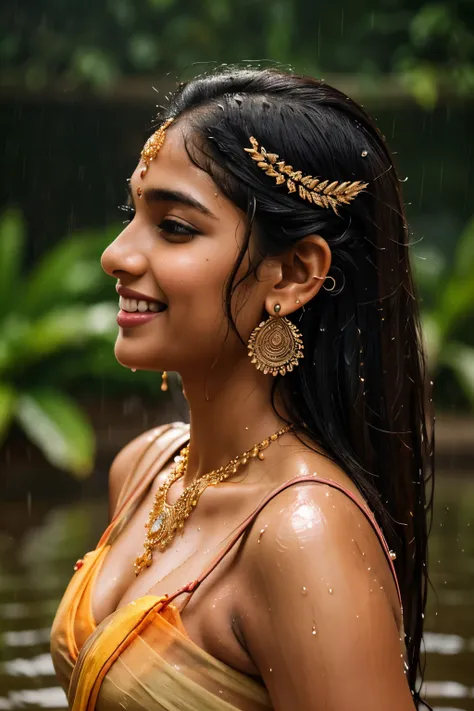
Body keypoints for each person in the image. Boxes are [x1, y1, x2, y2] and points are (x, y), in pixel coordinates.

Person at [50, 67, 434, 711]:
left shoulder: (300, 535)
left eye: (174, 227)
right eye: (133, 214)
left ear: (292, 273)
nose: (115, 255)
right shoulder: (145, 468)